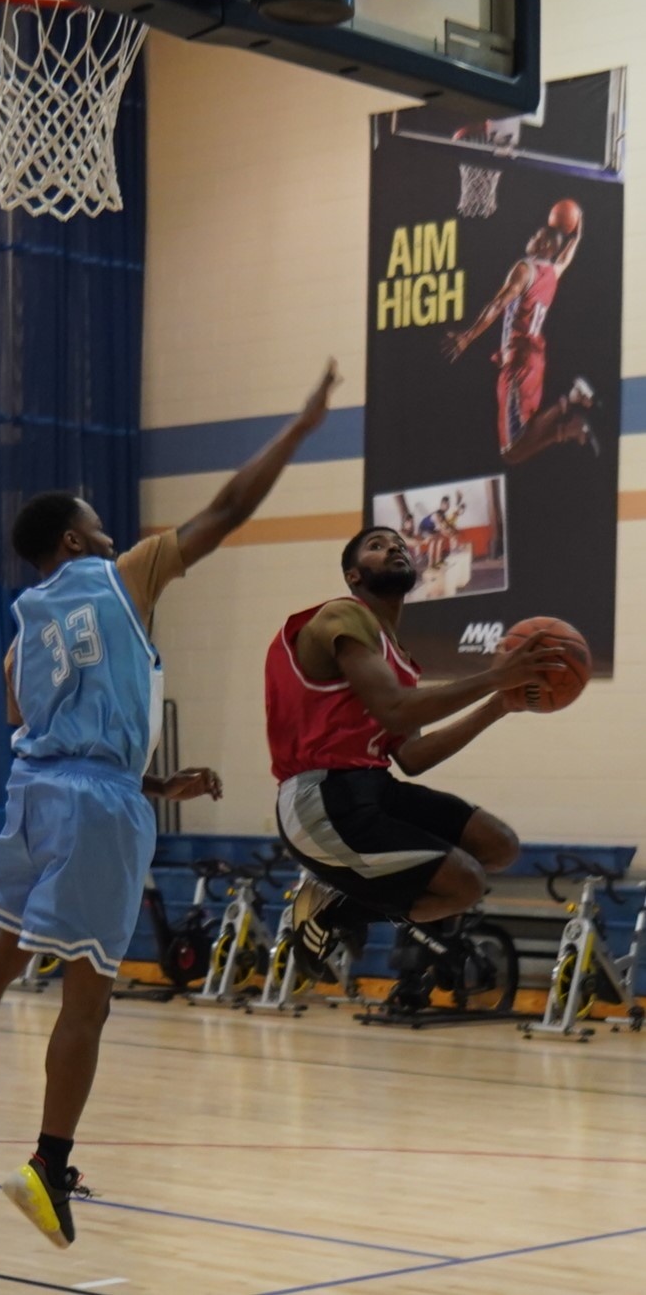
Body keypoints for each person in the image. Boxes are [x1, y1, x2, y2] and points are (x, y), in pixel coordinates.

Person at [0, 359, 340, 1249]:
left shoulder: (23, 622)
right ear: (70, 539)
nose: (109, 531)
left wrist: (148, 780)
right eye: (94, 524)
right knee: (88, 995)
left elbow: (29, 719)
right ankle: (47, 1164)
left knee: (8, 941)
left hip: (35, 792)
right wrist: (296, 432)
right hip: (95, 805)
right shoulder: (123, 575)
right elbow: (224, 513)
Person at [264, 525, 566, 975]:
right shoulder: (339, 615)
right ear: (353, 575)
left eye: (399, 545)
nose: (393, 549)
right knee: (463, 885)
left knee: (498, 846)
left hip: (372, 787)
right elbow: (395, 711)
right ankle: (337, 909)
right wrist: (493, 676)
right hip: (319, 799)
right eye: (377, 545)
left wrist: (499, 704)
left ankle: (338, 904)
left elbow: (413, 757)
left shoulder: (400, 658)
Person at [442, 210, 598, 464]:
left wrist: (467, 337)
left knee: (510, 450)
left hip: (518, 360)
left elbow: (497, 304)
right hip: (534, 357)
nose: (530, 238)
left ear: (545, 244)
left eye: (536, 236)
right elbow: (566, 257)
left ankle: (571, 400)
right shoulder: (552, 273)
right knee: (521, 441)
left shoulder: (525, 269)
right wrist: (576, 235)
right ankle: (567, 425)